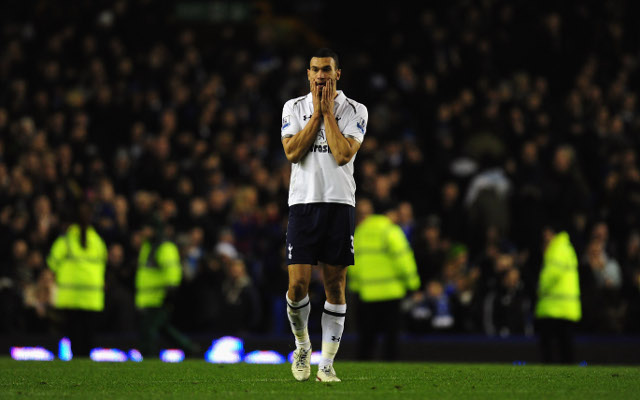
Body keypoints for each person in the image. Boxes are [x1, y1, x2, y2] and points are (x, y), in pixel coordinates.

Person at [280, 48, 368, 382]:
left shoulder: (356, 110)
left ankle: (327, 364)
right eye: (315, 69)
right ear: (308, 73)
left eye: (327, 70)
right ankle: (302, 345)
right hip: (303, 204)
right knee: (298, 284)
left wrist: (328, 113)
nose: (321, 75)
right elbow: (291, 152)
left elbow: (343, 154)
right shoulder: (294, 107)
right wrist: (316, 114)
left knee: (335, 286)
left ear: (337, 74)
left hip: (339, 204)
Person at [349, 198, 420, 360]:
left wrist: (357, 287)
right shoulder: (391, 231)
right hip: (391, 293)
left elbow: (352, 264)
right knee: (391, 338)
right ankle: (390, 368)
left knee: (367, 338)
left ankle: (362, 371)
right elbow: (404, 259)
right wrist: (413, 285)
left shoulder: (360, 231)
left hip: (366, 294)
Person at [46, 202, 108, 357]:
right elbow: (105, 264)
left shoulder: (65, 241)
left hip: (71, 296)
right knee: (89, 336)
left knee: (74, 334)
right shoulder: (98, 242)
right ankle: (87, 363)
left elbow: (51, 264)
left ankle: (76, 361)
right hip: (92, 297)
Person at [135, 221, 198, 357]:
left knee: (149, 330)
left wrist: (170, 292)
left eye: (147, 228)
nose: (144, 232)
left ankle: (148, 358)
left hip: (159, 297)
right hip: (147, 297)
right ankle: (189, 349)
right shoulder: (148, 246)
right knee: (164, 329)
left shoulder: (165, 247)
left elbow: (172, 272)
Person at [534, 225, 581, 364]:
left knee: (550, 346)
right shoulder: (567, 247)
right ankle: (568, 376)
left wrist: (539, 288)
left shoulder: (557, 248)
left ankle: (552, 375)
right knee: (565, 346)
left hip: (555, 306)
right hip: (565, 307)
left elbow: (551, 274)